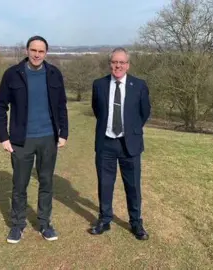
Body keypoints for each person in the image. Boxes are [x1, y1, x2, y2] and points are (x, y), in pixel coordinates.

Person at [0, 35, 68, 244]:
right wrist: (3, 137)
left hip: (48, 138)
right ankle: (17, 225)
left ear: (46, 53)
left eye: (41, 51)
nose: (37, 54)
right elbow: (1, 107)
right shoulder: (12, 74)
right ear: (27, 50)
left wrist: (64, 133)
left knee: (46, 182)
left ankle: (44, 223)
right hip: (21, 141)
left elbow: (62, 105)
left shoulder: (54, 74)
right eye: (33, 50)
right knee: (19, 185)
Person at [89, 47, 151, 240]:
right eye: (115, 62)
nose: (118, 66)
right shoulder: (99, 85)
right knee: (105, 184)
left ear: (128, 65)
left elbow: (144, 112)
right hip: (106, 143)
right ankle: (105, 219)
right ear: (110, 64)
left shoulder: (139, 85)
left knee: (132, 186)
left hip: (129, 144)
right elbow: (98, 110)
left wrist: (130, 130)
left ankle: (136, 223)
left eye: (122, 62)